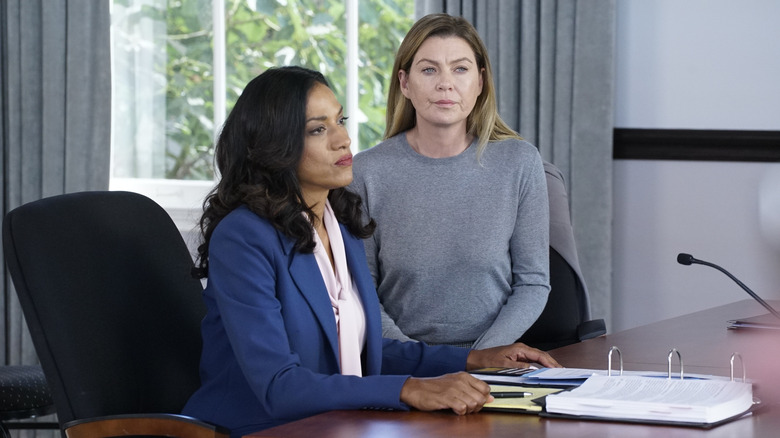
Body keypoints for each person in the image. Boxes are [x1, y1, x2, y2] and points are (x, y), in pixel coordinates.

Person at [181, 66, 559, 437]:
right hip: (257, 427)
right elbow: (280, 386)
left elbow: (363, 348)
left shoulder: (338, 222)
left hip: (340, 423)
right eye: (318, 129)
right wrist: (407, 388)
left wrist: (473, 359)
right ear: (272, 147)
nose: (342, 139)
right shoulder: (243, 237)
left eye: (339, 120)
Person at [350, 13, 550, 350]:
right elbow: (362, 291)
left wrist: (478, 360)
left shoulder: (519, 162)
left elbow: (532, 283)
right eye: (429, 69)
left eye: (460, 69)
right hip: (403, 365)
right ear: (405, 82)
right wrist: (421, 363)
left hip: (493, 361)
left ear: (480, 81)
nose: (446, 83)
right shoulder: (365, 171)